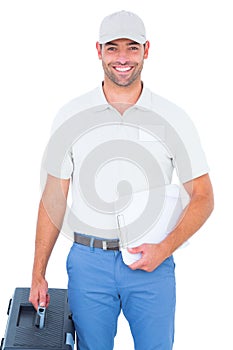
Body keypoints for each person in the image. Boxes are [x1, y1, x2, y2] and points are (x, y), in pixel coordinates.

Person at [29, 10, 214, 350]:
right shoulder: (71, 115)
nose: (123, 58)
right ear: (98, 51)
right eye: (113, 48)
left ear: (147, 49)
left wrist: (164, 249)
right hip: (88, 262)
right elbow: (54, 198)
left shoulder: (173, 118)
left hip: (152, 263)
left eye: (132, 47)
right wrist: (38, 272)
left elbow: (203, 195)